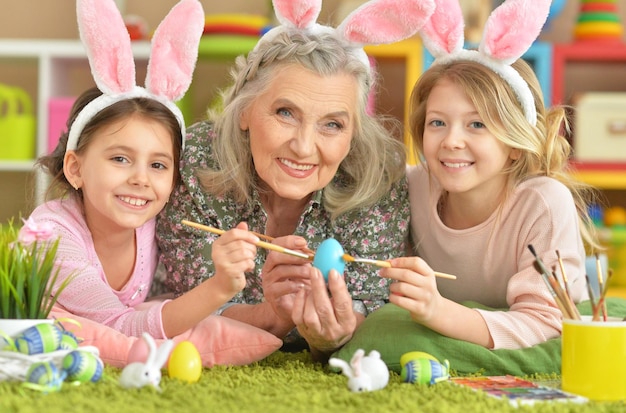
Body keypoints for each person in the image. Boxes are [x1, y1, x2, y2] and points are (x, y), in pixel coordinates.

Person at [156, 0, 435, 360]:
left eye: (332, 124)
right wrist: (272, 316)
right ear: (244, 110)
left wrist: (336, 335)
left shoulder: (378, 176)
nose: (304, 147)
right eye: (285, 113)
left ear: (353, 134)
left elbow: (369, 306)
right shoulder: (194, 160)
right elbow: (189, 306)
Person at [30, 0, 257, 340]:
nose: (140, 179)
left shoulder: (154, 226)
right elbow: (121, 328)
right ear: (75, 168)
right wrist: (218, 288)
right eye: (120, 159)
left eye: (158, 165)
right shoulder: (52, 238)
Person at [382, 0, 602, 349]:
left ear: (515, 143)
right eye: (438, 122)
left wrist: (439, 312)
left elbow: (544, 320)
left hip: (567, 282)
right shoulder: (411, 186)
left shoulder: (543, 203)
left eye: (477, 124)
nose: (452, 141)